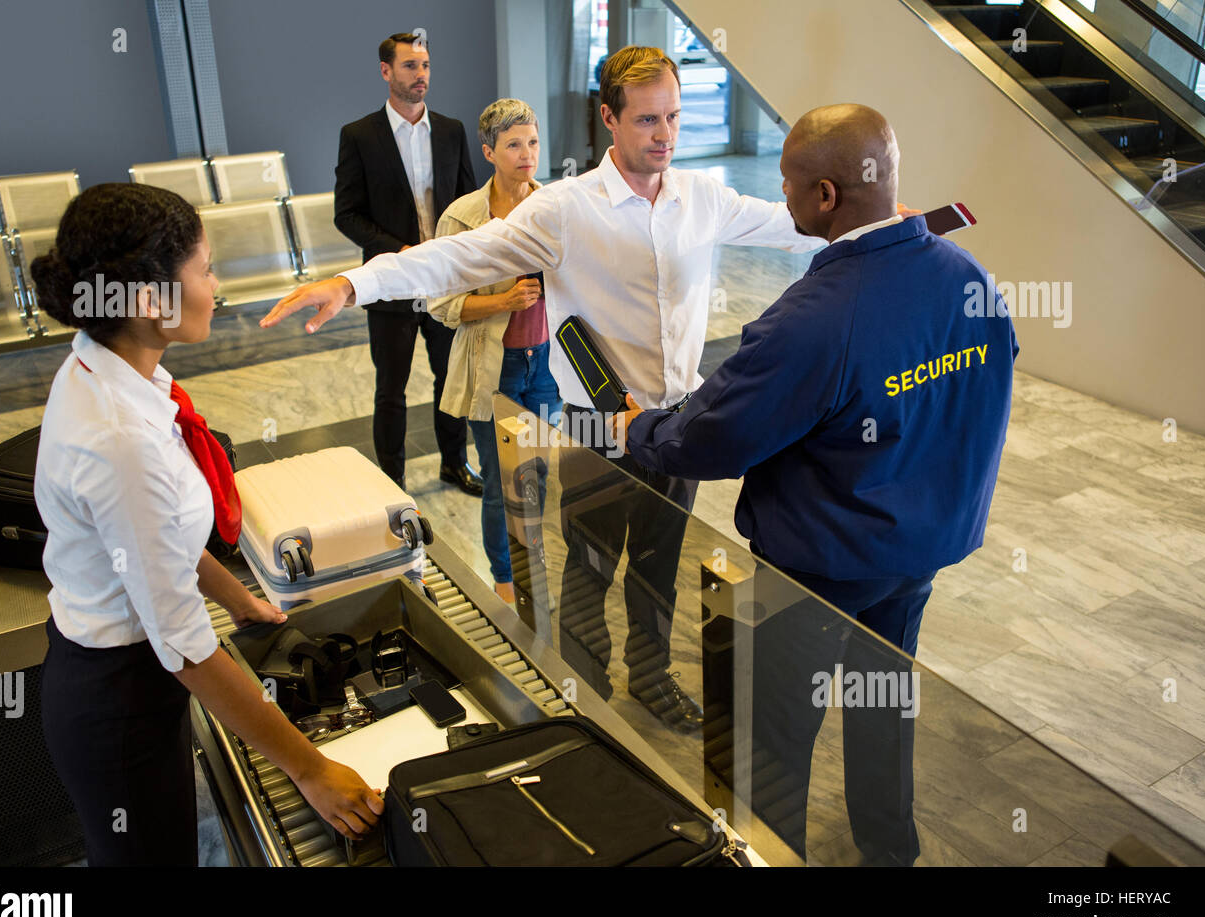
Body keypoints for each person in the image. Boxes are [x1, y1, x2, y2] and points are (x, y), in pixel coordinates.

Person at [261, 46, 832, 734]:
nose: (665, 135)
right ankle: (584, 700)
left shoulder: (701, 197)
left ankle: (652, 679)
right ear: (609, 121)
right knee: (589, 566)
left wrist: (895, 218)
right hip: (596, 422)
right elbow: (456, 257)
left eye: (674, 117)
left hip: (679, 419)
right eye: (648, 119)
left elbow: (794, 226)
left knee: (658, 565)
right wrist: (354, 283)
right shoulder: (564, 210)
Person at [613, 104, 1019, 864]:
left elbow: (712, 437)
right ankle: (889, 845)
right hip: (916, 554)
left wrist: (638, 427)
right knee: (882, 701)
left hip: (815, 571)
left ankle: (767, 855)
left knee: (767, 742)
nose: (785, 198)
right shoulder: (970, 279)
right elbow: (973, 391)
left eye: (790, 185)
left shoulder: (815, 319)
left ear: (826, 196)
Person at [32, 183, 382, 865]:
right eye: (206, 268)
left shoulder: (116, 373)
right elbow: (186, 647)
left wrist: (241, 600)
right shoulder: (119, 439)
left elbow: (154, 540)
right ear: (148, 298)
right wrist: (309, 768)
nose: (215, 289)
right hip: (116, 702)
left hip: (130, 673)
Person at [334, 32, 482, 495]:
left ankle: (453, 465)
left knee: (450, 382)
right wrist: (399, 253)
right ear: (386, 71)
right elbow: (347, 213)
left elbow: (469, 203)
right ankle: (392, 479)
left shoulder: (452, 130)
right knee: (391, 390)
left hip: (443, 281)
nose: (421, 75)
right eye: (410, 66)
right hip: (391, 283)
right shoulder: (359, 135)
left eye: (426, 66)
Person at [426, 98, 559, 605]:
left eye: (532, 141)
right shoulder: (462, 218)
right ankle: (504, 583)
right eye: (513, 145)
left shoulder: (553, 207)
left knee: (537, 474)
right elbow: (439, 304)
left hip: (545, 364)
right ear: (488, 152)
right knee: (501, 480)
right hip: (495, 366)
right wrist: (503, 300)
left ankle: (532, 570)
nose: (527, 154)